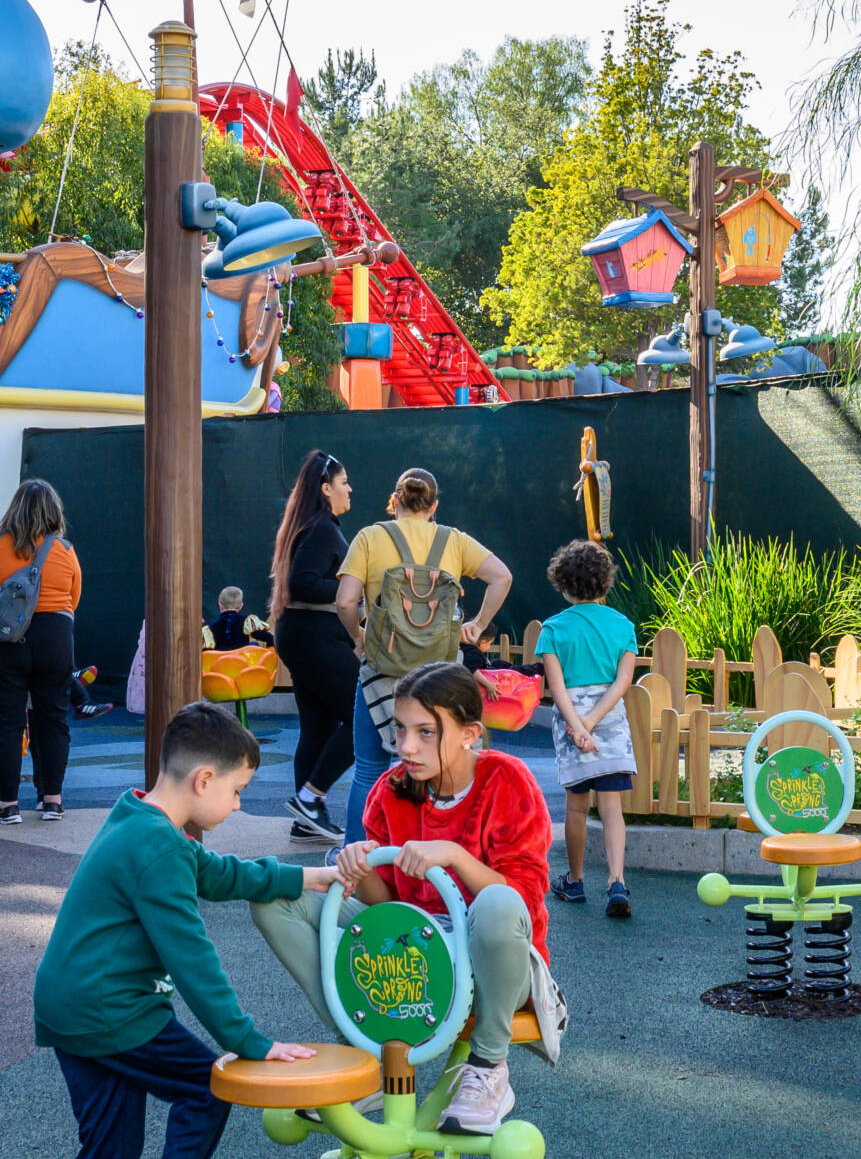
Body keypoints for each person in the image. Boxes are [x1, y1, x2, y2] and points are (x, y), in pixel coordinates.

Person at [253, 662, 564, 1135]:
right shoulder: (392, 788)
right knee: (277, 898)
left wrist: (455, 856)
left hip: (493, 962)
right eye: (401, 729)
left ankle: (488, 1067)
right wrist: (365, 864)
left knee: (496, 905)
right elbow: (383, 909)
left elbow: (521, 901)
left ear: (470, 734)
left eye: (425, 732)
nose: (406, 747)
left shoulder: (507, 781)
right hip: (409, 956)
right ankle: (369, 1056)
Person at [35, 702, 333, 1159]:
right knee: (207, 1087)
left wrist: (305, 878)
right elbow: (192, 958)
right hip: (112, 1009)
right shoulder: (160, 848)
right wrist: (247, 1041)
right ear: (204, 780)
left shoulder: (140, 818)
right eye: (237, 790)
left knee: (110, 1147)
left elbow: (216, 873)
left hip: (71, 1003)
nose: (237, 804)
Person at [334, 467, 513, 838]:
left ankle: (356, 864)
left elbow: (345, 601)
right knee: (440, 767)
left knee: (369, 769)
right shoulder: (454, 540)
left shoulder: (370, 537)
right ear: (434, 505)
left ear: (394, 501)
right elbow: (502, 576)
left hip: (382, 668)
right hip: (438, 677)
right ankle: (432, 860)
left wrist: (359, 636)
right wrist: (477, 625)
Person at [537, 540, 639, 917]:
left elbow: (556, 688)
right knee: (612, 808)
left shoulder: (552, 629)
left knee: (577, 809)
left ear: (563, 585)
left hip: (570, 722)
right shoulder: (623, 626)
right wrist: (594, 723)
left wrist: (578, 727)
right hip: (609, 721)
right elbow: (623, 681)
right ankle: (616, 882)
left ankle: (576, 880)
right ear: (605, 583)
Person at [0, 478, 82, 825]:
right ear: (54, 511)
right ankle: (52, 800)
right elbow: (74, 598)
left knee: (7, 723)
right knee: (52, 719)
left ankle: (6, 804)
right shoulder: (64, 550)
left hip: (8, 640)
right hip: (54, 636)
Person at [270, 451, 358, 843]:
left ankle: (306, 818)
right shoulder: (322, 528)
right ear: (326, 489)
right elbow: (304, 583)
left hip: (300, 634)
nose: (349, 488)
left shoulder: (310, 525)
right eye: (343, 483)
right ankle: (309, 799)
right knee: (367, 718)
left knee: (318, 726)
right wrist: (353, 590)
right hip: (314, 636)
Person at [206, 586, 271, 651]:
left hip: (221, 659)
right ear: (241, 606)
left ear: (220, 605)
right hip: (242, 659)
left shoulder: (211, 627)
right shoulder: (246, 622)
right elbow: (265, 637)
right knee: (254, 644)